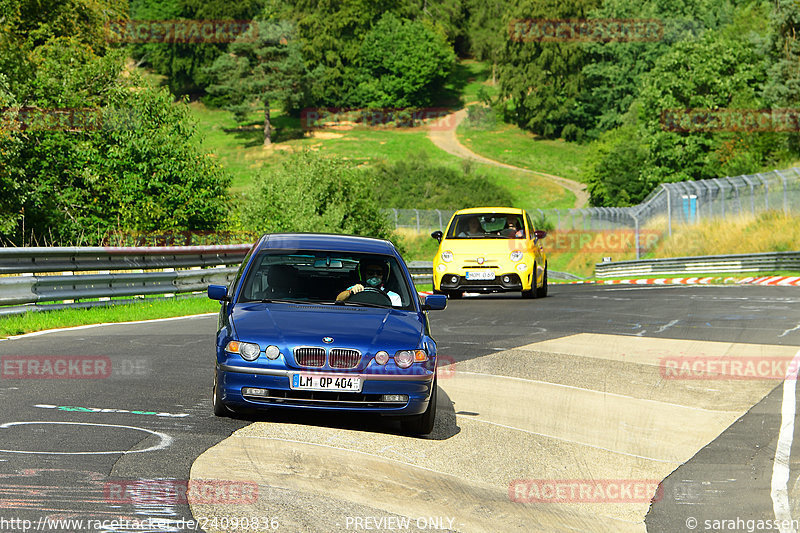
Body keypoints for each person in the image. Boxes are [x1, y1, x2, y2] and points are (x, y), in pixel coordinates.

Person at [336, 258, 401, 306]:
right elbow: (339, 299)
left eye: (379, 273)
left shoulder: (394, 296)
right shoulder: (355, 289)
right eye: (370, 273)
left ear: (384, 276)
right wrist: (350, 292)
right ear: (364, 275)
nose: (375, 275)